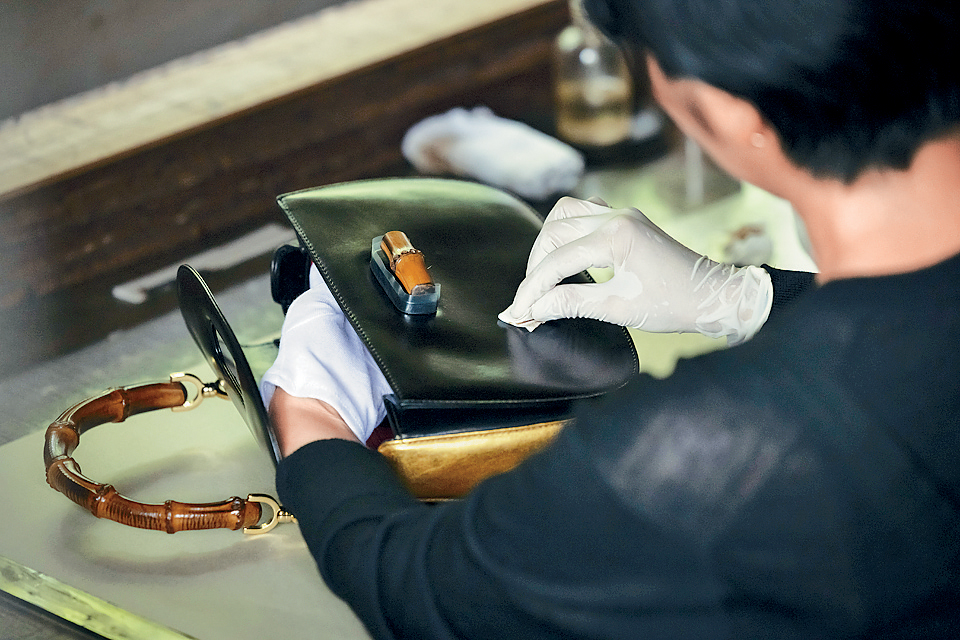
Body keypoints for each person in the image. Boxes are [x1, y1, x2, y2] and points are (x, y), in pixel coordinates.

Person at [262, 0, 960, 636]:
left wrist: (313, 421)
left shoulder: (709, 453)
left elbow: (418, 589)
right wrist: (749, 297)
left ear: (724, 112)